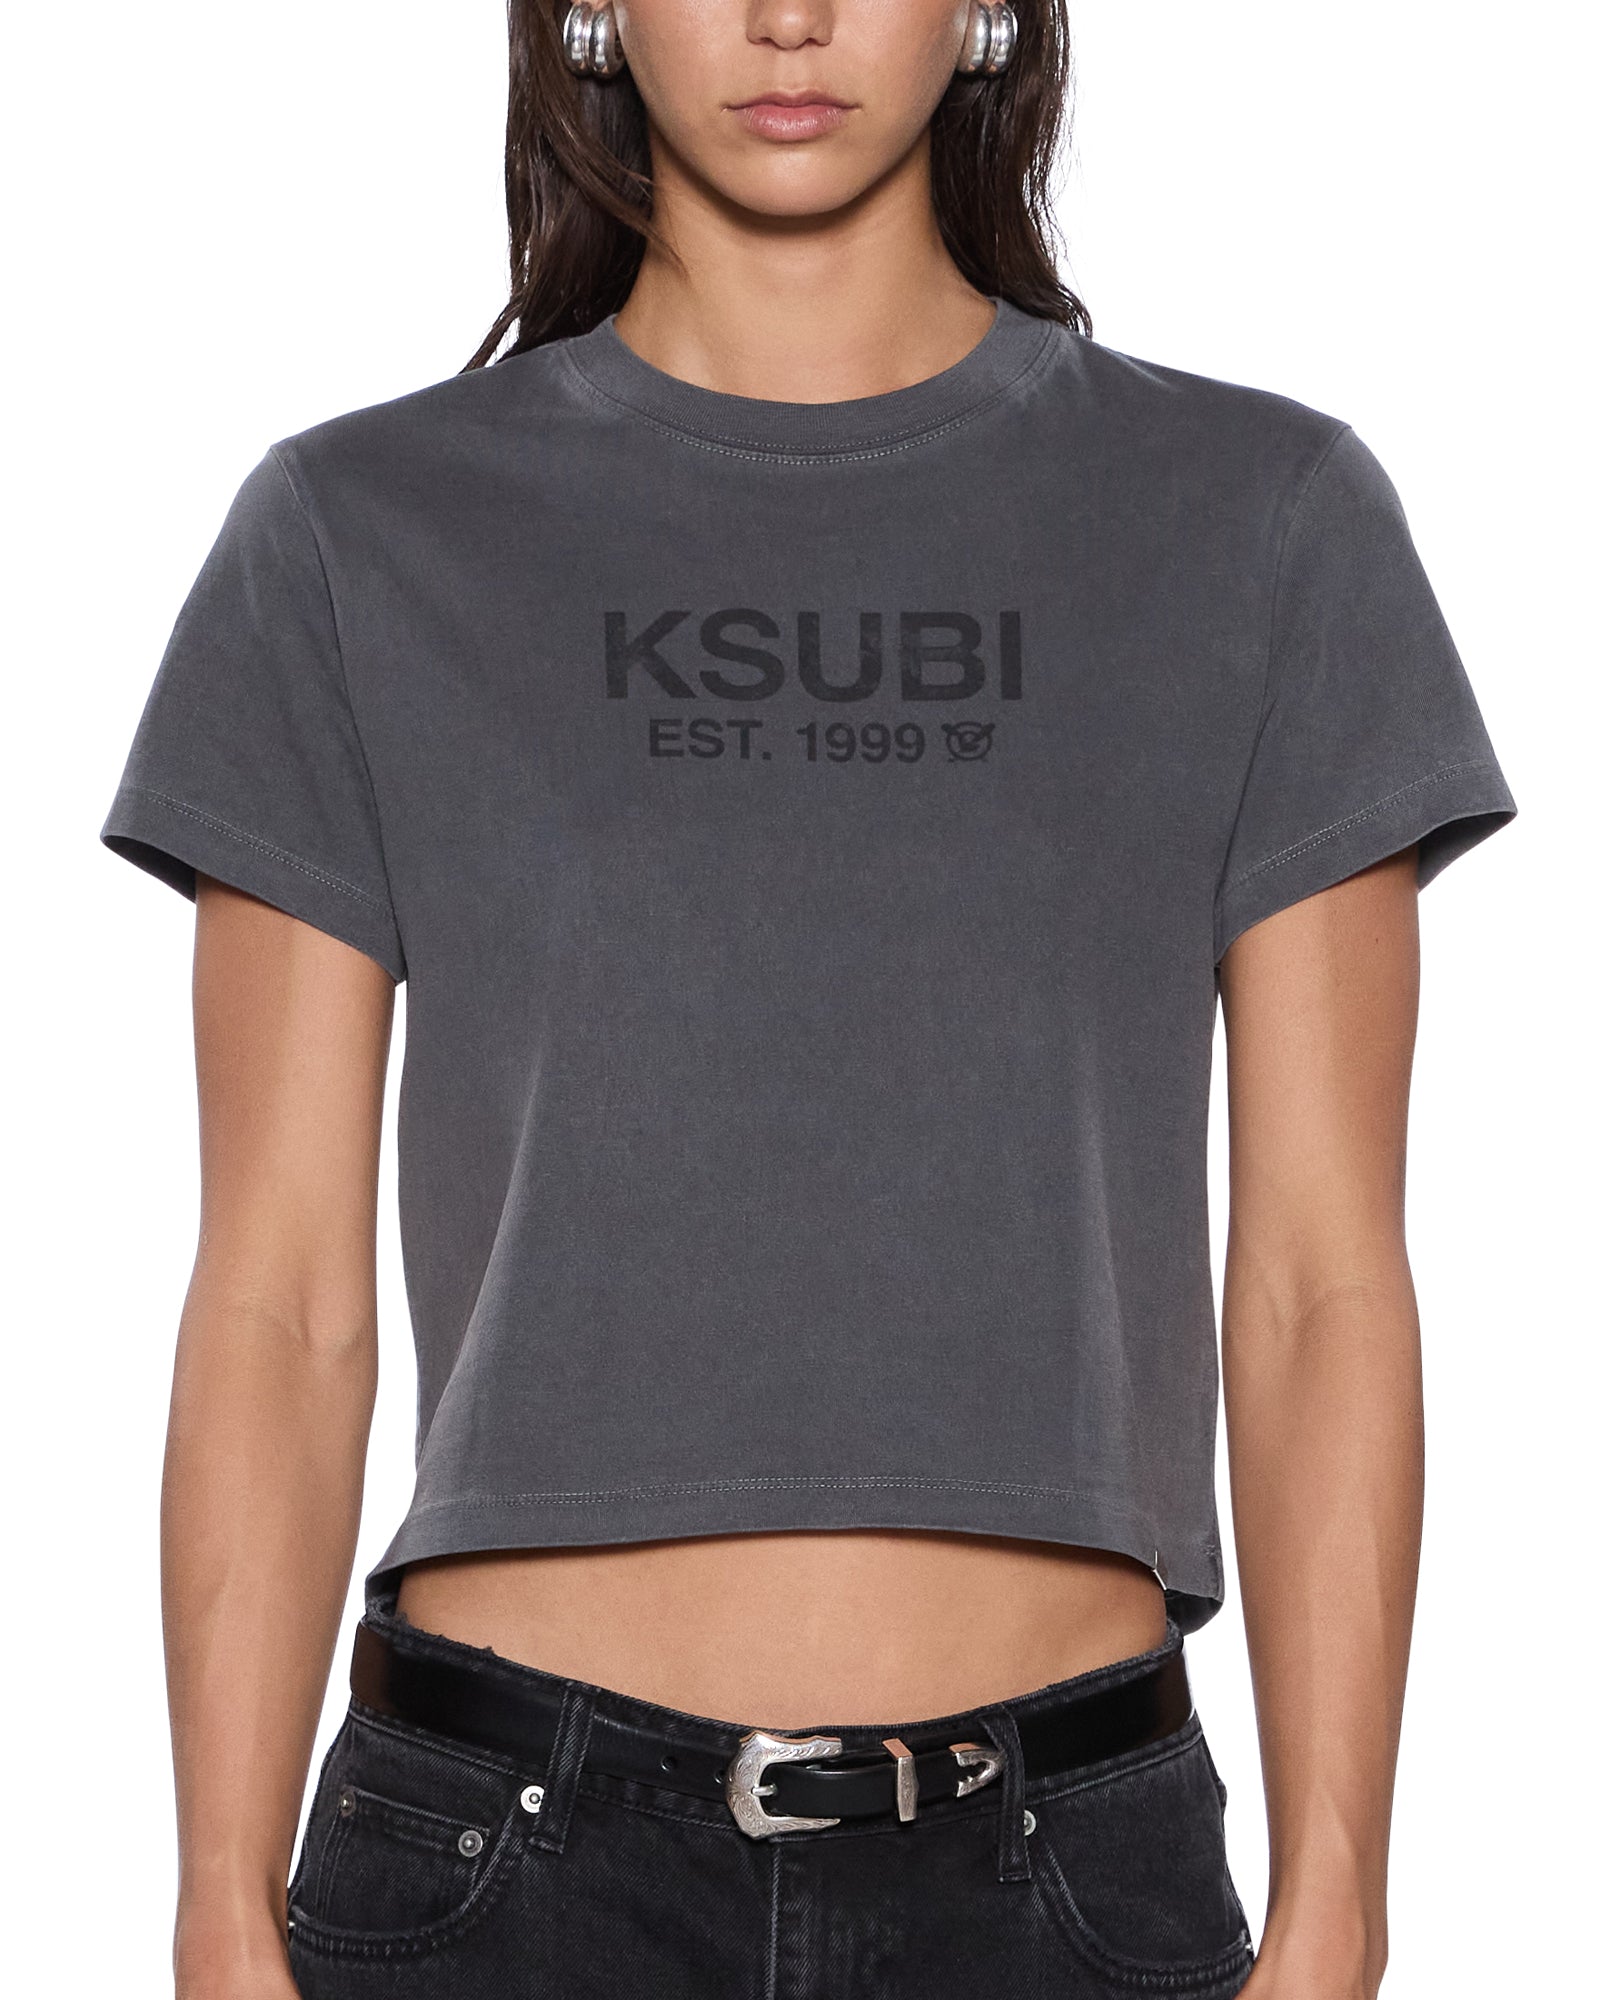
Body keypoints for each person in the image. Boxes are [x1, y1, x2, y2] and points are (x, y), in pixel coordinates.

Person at [100, 1, 1518, 1995]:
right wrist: (215, 1904)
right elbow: (277, 1297)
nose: (789, 17)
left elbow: (1316, 1281)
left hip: (1063, 1872)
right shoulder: (358, 533)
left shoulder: (1256, 518)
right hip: (500, 1872)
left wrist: (1338, 1897)